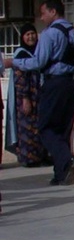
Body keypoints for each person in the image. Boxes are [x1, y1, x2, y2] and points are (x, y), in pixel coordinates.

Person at [4, 0, 74, 185]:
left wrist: (13, 62)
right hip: (73, 84)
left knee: (45, 128)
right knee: (63, 129)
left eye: (43, 13)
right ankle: (61, 174)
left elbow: (38, 62)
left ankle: (67, 158)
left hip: (55, 84)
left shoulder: (49, 34)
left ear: (53, 12)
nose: (42, 17)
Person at [5, 25, 47, 166]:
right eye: (27, 34)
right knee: (27, 127)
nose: (31, 37)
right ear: (22, 37)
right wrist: (25, 98)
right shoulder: (21, 54)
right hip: (26, 97)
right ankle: (28, 158)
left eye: (33, 34)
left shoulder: (39, 52)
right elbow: (20, 78)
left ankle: (41, 156)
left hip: (39, 96)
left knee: (40, 126)